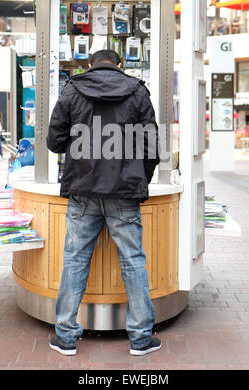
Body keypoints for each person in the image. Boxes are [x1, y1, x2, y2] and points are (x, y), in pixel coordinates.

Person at [46, 49, 161, 356]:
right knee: (133, 261)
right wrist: (139, 178)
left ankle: (66, 337)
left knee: (74, 260)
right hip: (124, 192)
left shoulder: (73, 89)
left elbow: (54, 141)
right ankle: (140, 338)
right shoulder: (137, 91)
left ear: (90, 65)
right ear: (120, 65)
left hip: (83, 190)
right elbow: (151, 147)